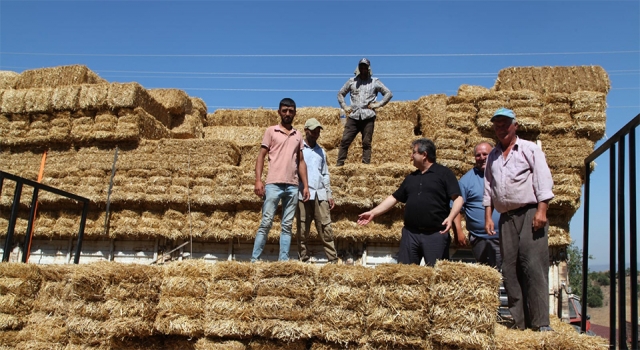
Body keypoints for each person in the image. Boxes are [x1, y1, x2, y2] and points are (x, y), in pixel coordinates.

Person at [483, 107, 554, 332]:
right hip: (506, 217)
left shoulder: (529, 149)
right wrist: (488, 217)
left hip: (530, 212)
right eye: (497, 125)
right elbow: (488, 188)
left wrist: (542, 211)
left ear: (516, 126)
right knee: (509, 269)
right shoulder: (493, 156)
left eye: (505, 124)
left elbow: (543, 180)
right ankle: (519, 322)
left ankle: (541, 323)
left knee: (533, 265)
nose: (501, 128)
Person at [357, 138, 463, 266]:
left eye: (414, 152)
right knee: (406, 275)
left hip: (435, 235)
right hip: (410, 235)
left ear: (424, 155)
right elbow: (394, 198)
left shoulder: (444, 174)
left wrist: (451, 218)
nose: (411, 156)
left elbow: (458, 199)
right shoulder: (411, 178)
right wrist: (373, 213)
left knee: (436, 275)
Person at [251, 98, 310, 262]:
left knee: (287, 226)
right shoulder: (271, 131)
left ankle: (283, 261)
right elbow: (261, 156)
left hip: (292, 186)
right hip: (273, 184)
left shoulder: (298, 135)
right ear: (279, 112)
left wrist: (305, 185)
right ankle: (255, 260)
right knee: (266, 223)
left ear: (295, 113)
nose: (287, 114)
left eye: (291, 111)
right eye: (284, 110)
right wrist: (258, 180)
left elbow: (301, 161)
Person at [452, 142, 502, 269]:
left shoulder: (504, 174)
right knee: (488, 275)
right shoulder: (467, 180)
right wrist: (458, 231)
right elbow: (455, 208)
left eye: (485, 154)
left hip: (505, 237)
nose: (482, 157)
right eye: (478, 155)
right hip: (480, 238)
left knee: (510, 275)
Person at [295, 118, 338, 263]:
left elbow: (325, 174)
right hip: (302, 195)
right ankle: (303, 259)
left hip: (320, 195)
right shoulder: (298, 150)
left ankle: (332, 260)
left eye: (318, 131)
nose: (315, 134)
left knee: (326, 228)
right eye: (313, 131)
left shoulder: (322, 152)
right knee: (302, 230)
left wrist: (329, 194)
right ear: (306, 130)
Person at [336, 58, 393, 166]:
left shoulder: (375, 82)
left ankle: (365, 165)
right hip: (354, 115)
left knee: (366, 142)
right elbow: (340, 94)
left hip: (368, 115)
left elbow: (388, 93)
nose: (363, 69)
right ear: (358, 68)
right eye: (361, 66)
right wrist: (344, 106)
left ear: (368, 68)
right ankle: (339, 164)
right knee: (345, 140)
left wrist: (378, 104)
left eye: (365, 67)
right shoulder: (352, 81)